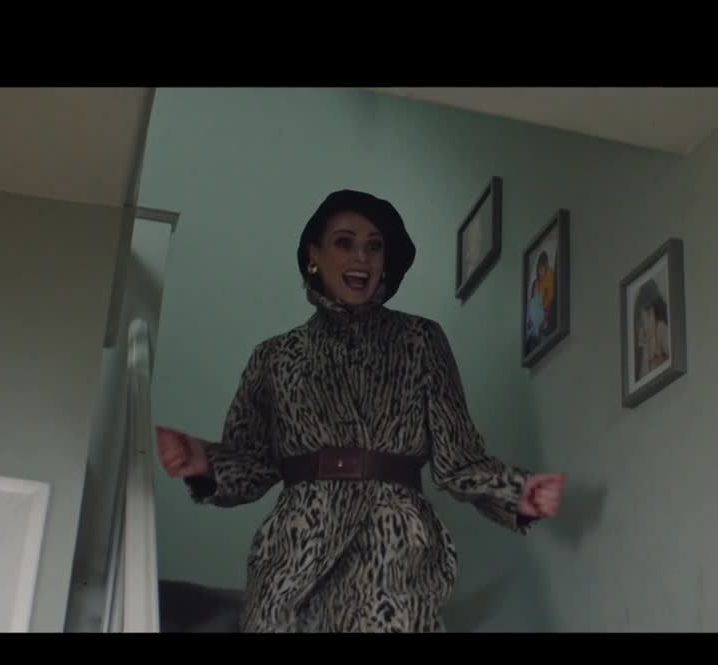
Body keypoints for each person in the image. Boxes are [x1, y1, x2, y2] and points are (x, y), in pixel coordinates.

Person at [156, 189, 566, 633]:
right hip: (296, 551)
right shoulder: (274, 357)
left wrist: (518, 492)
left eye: (374, 246)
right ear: (313, 256)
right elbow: (252, 464)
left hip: (393, 548)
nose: (361, 258)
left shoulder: (421, 340)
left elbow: (458, 458)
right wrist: (202, 461)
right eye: (344, 242)